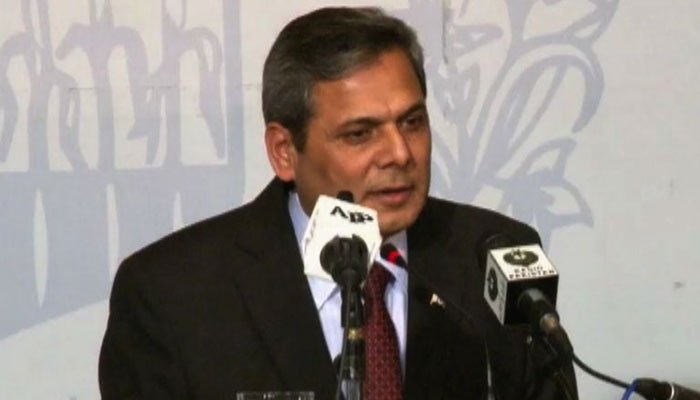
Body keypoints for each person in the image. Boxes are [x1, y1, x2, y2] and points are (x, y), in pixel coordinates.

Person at [99, 7, 576, 400]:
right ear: (284, 152)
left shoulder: (493, 257)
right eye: (360, 134)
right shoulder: (172, 296)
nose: (400, 154)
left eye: (412, 122)